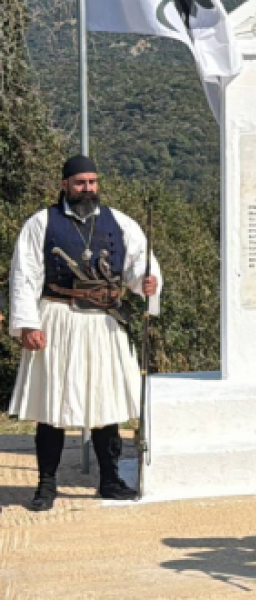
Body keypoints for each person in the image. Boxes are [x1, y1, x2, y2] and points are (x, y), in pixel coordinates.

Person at [7, 155, 162, 510]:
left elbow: (139, 262)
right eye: (80, 183)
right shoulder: (40, 223)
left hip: (104, 322)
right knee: (52, 407)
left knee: (105, 404)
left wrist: (145, 282)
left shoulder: (119, 222)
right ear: (65, 185)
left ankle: (109, 479)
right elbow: (25, 274)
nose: (87, 189)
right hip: (58, 319)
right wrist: (28, 324)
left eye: (92, 182)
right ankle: (46, 485)